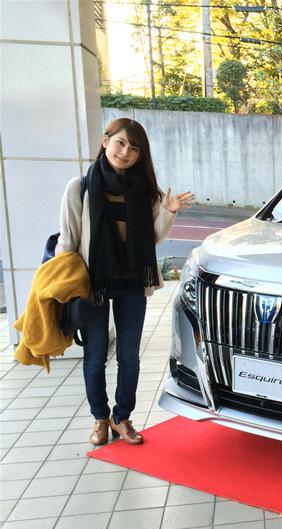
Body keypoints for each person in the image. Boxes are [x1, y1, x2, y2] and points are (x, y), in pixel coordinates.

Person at [56, 118, 195, 445]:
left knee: (129, 356)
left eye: (134, 148)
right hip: (93, 282)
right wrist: (64, 286)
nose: (126, 152)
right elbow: (68, 240)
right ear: (105, 142)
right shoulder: (80, 187)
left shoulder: (144, 191)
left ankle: (122, 417)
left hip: (132, 280)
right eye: (120, 143)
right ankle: (100, 418)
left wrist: (168, 211)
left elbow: (152, 239)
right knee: (95, 355)